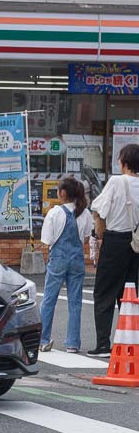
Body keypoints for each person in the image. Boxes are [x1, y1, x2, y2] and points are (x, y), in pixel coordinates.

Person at [88, 143, 139, 357]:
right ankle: (130, 344)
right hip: (136, 244)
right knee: (129, 294)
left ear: (124, 161)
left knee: (104, 293)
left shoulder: (117, 182)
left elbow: (98, 207)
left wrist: (97, 236)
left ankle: (102, 345)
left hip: (115, 241)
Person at [38, 177, 93, 354]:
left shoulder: (55, 213)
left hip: (58, 260)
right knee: (75, 302)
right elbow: (85, 237)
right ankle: (72, 343)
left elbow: (46, 240)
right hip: (77, 259)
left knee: (49, 300)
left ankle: (43, 339)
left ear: (62, 193)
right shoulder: (85, 213)